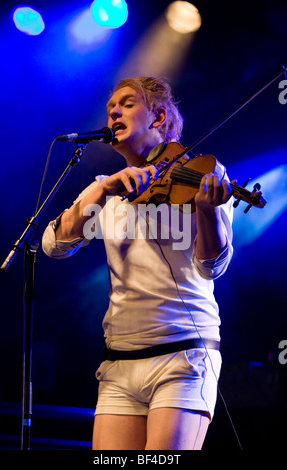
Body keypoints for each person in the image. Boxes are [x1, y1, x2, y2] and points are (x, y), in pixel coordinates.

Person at [42, 76, 234, 450]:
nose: (113, 111)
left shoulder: (202, 177)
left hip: (184, 356)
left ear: (159, 117)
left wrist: (207, 212)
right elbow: (54, 246)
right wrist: (102, 189)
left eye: (127, 104)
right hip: (119, 362)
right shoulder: (107, 188)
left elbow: (211, 267)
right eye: (111, 107)